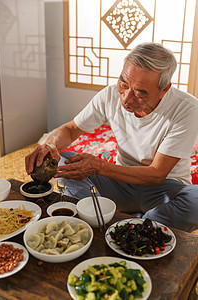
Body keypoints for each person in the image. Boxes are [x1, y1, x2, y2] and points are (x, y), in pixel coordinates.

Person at [25, 42, 198, 232]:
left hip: (165, 189)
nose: (126, 98)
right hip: (120, 182)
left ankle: (135, 222)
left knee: (195, 201)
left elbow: (157, 174)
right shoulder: (109, 95)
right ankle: (109, 217)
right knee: (64, 160)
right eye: (123, 83)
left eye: (140, 93)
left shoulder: (187, 108)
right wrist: (49, 145)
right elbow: (71, 129)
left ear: (164, 89)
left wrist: (100, 167)